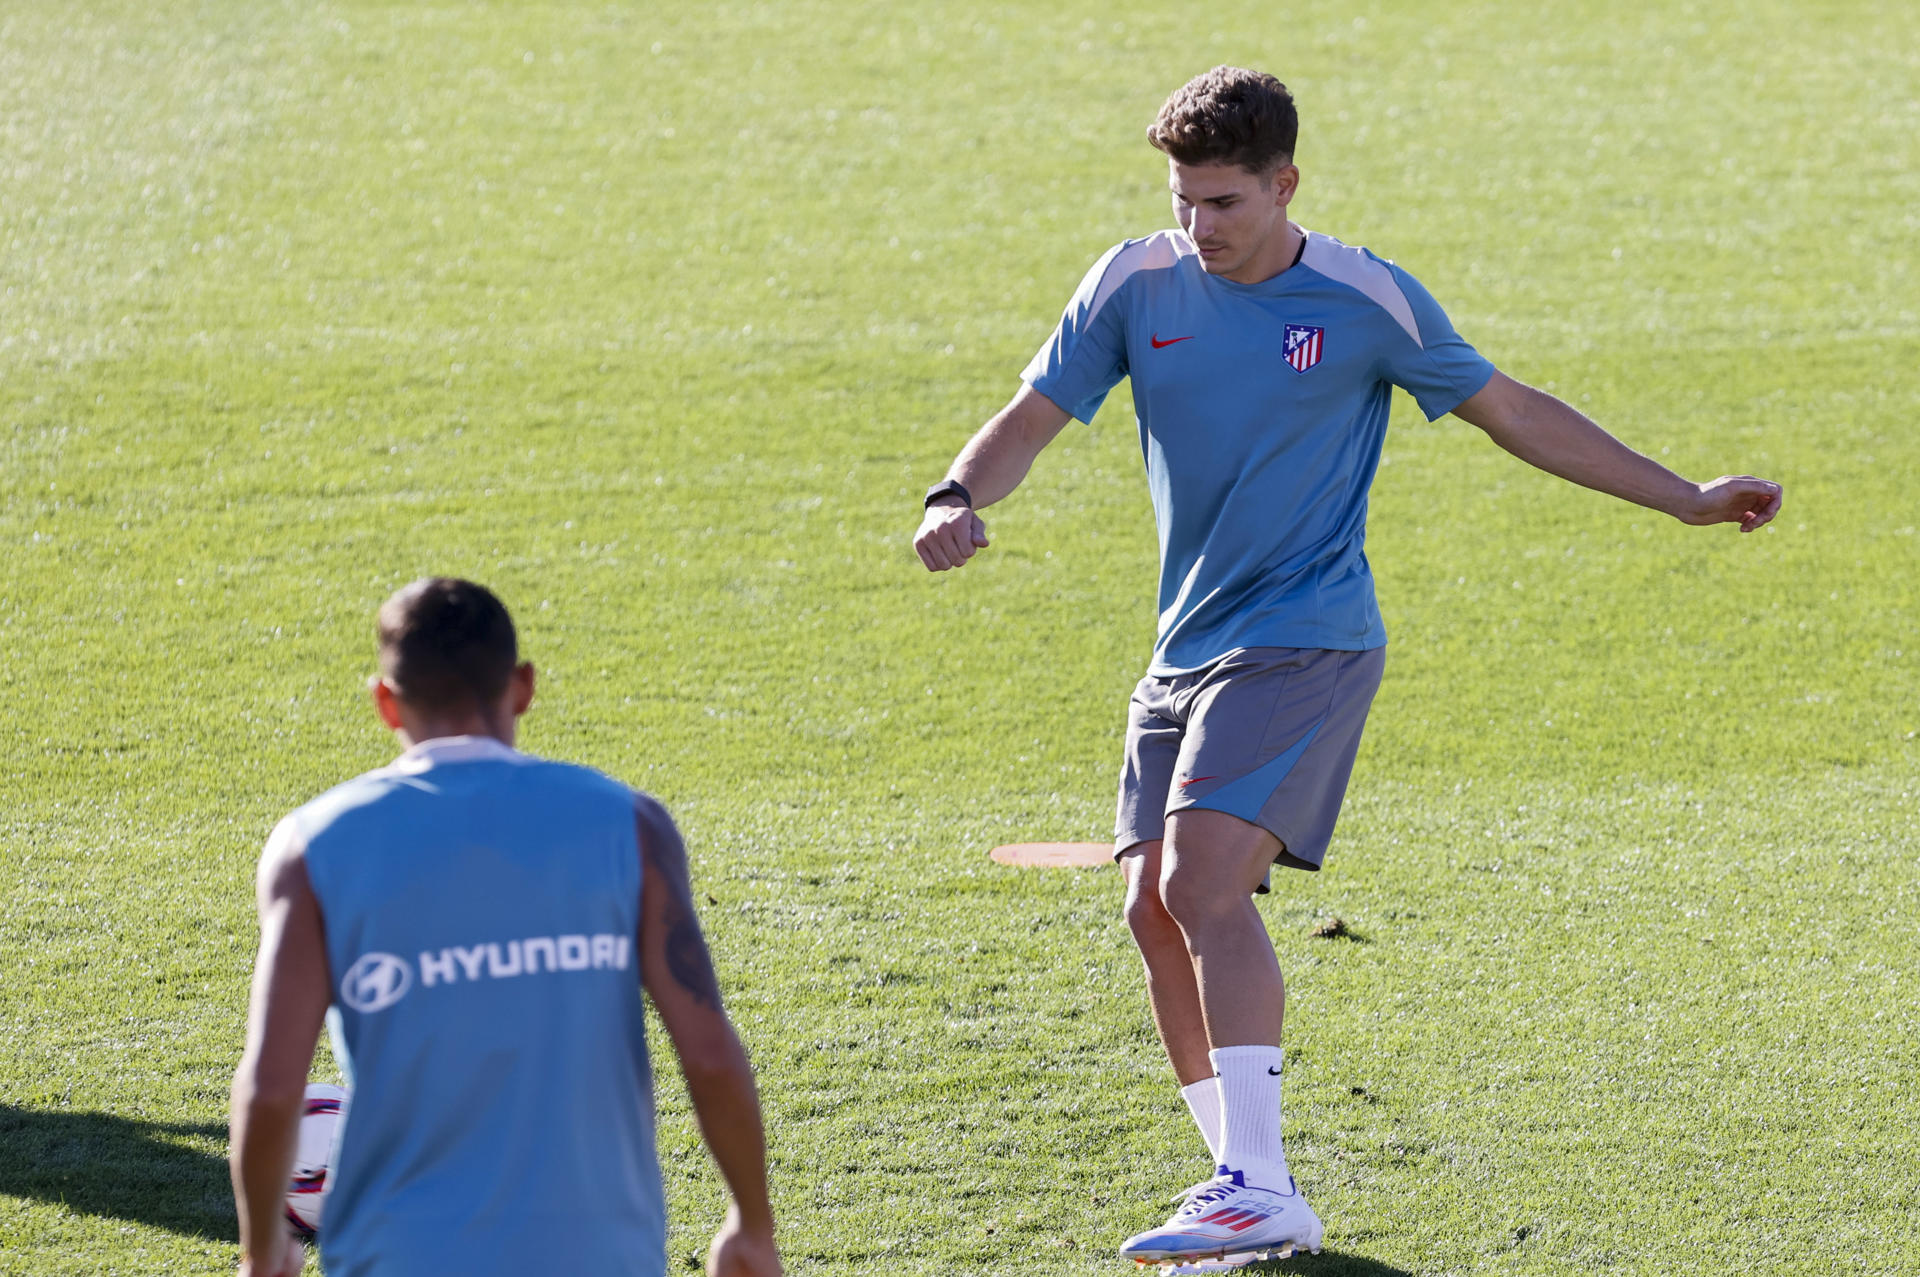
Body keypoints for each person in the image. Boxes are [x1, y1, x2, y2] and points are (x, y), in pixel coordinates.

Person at [913, 66, 1781, 1268]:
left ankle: (1251, 1181)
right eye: (1183, 199)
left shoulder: (1362, 297)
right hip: (1185, 641)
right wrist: (955, 493)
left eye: (1222, 202)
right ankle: (1245, 1182)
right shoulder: (1133, 281)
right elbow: (1028, 418)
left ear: (1284, 184)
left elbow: (1514, 410)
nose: (1198, 226)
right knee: (1151, 906)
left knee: (1207, 881)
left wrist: (1683, 498)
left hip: (1309, 631)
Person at [229, 578, 781, 1277]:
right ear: (522, 686)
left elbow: (273, 1087)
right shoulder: (630, 826)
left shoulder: (312, 845)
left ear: (384, 701)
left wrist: (261, 1248)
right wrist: (751, 1225)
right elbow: (707, 1053)